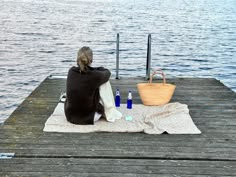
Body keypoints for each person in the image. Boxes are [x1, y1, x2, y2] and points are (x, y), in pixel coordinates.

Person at [64, 46, 121, 125]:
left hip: (70, 116)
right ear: (91, 59)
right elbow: (107, 73)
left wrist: (94, 69)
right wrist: (98, 69)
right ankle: (110, 111)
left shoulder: (71, 71)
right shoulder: (95, 75)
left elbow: (88, 70)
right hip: (88, 117)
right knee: (104, 82)